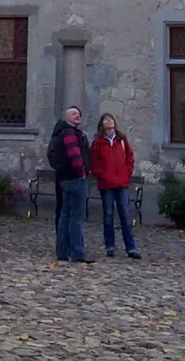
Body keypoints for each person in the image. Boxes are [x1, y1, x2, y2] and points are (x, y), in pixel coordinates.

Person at [91, 112, 141, 259]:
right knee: (108, 214)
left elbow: (130, 157)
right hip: (106, 184)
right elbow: (94, 162)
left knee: (125, 215)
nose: (108, 121)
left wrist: (127, 172)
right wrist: (102, 174)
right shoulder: (98, 142)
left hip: (122, 183)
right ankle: (110, 246)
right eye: (105, 119)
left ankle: (131, 248)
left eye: (110, 119)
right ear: (102, 124)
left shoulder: (122, 140)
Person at [47, 105, 92, 263]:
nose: (78, 115)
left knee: (65, 214)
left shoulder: (61, 133)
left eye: (79, 113)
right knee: (75, 216)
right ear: (67, 118)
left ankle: (62, 251)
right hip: (74, 178)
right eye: (74, 114)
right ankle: (77, 253)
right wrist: (82, 173)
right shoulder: (69, 133)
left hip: (64, 179)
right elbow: (75, 155)